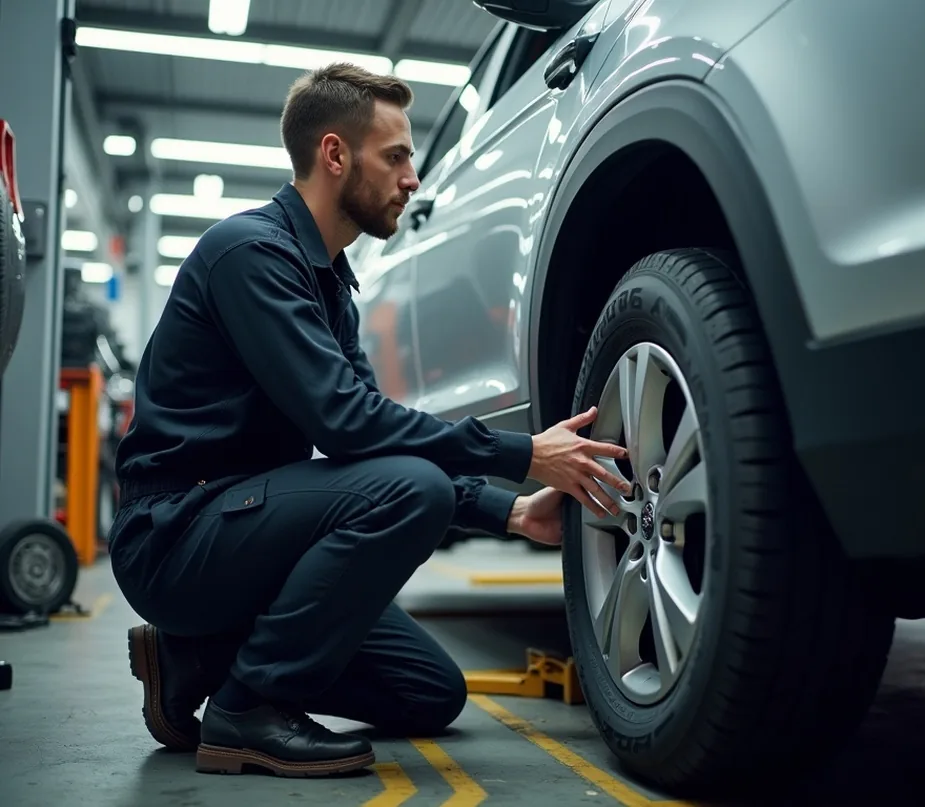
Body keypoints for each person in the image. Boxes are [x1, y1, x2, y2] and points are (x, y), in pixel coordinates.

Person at [107, 62, 631, 778]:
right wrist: (522, 453)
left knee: (428, 693)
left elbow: (364, 431)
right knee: (414, 488)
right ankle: (246, 709)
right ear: (334, 154)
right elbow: (350, 424)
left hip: (250, 532)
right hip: (176, 537)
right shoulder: (250, 255)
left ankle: (191, 656)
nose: (413, 179)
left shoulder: (329, 287)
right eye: (397, 156)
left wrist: (512, 513)